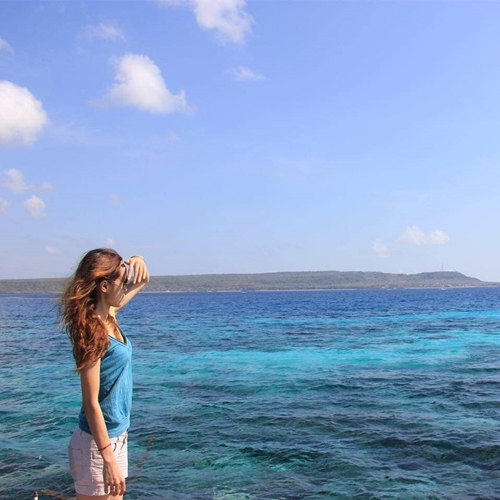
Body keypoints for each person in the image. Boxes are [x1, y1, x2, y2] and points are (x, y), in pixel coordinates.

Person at [59, 249, 150, 499]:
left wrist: (137, 258)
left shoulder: (110, 316)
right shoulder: (93, 332)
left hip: (116, 436)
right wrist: (107, 458)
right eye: (123, 281)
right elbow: (90, 404)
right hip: (97, 445)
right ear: (104, 286)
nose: (126, 286)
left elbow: (143, 279)